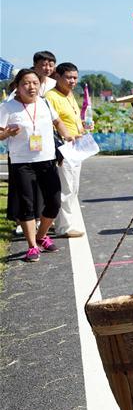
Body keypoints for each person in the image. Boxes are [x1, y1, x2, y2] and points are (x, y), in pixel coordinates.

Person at [0, 69, 73, 262]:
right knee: (27, 204)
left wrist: (67, 135)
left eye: (35, 83)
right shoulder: (7, 107)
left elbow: (58, 122)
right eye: (26, 83)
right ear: (17, 86)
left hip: (47, 159)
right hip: (21, 162)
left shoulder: (44, 102)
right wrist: (7, 133)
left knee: (54, 202)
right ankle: (32, 246)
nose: (31, 87)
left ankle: (41, 236)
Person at [44, 62, 89, 238]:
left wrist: (82, 126)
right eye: (69, 77)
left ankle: (67, 222)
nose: (72, 81)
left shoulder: (69, 94)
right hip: (64, 147)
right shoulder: (51, 96)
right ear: (57, 76)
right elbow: (51, 124)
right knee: (66, 187)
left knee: (73, 187)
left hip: (76, 146)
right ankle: (64, 227)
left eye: (75, 78)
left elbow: (70, 119)